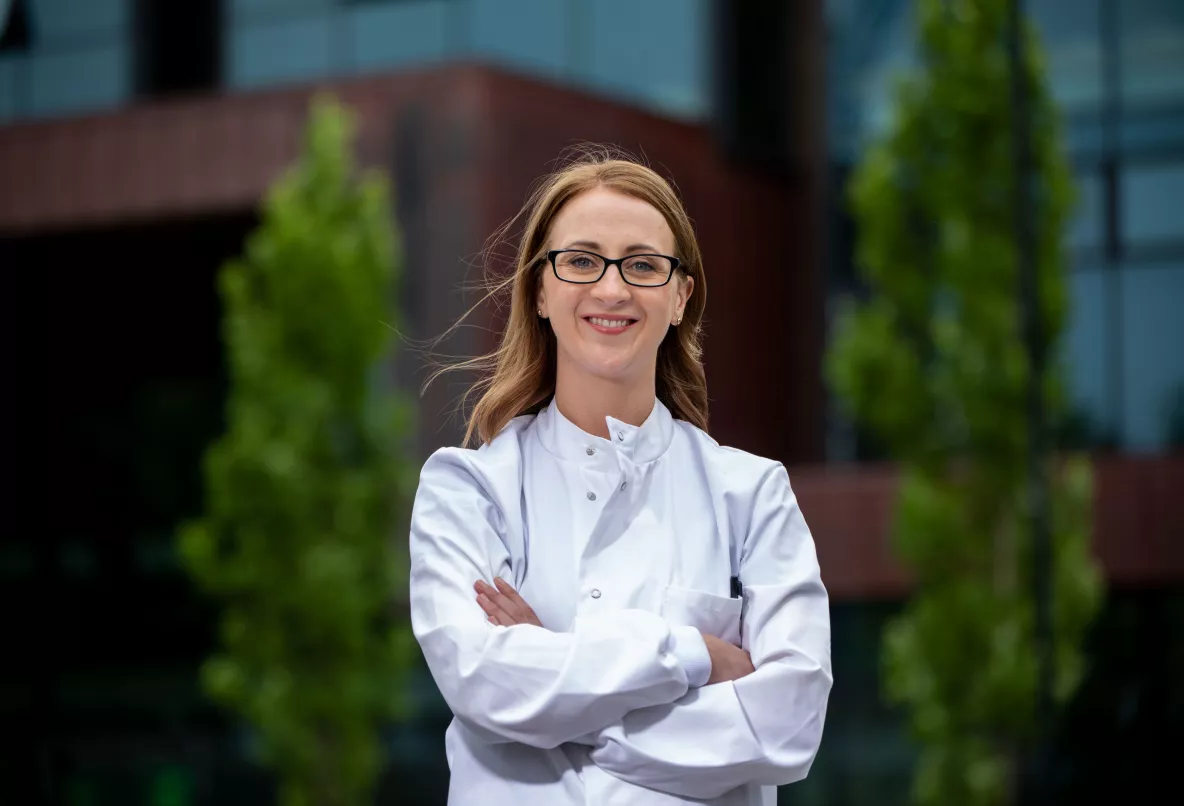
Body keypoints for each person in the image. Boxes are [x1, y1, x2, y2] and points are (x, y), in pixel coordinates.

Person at [409, 150, 832, 805]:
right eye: (581, 261)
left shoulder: (752, 495)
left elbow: (789, 724)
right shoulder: (467, 492)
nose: (611, 289)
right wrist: (696, 658)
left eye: (642, 264)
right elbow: (483, 682)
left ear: (679, 295)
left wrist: (559, 697)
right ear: (540, 290)